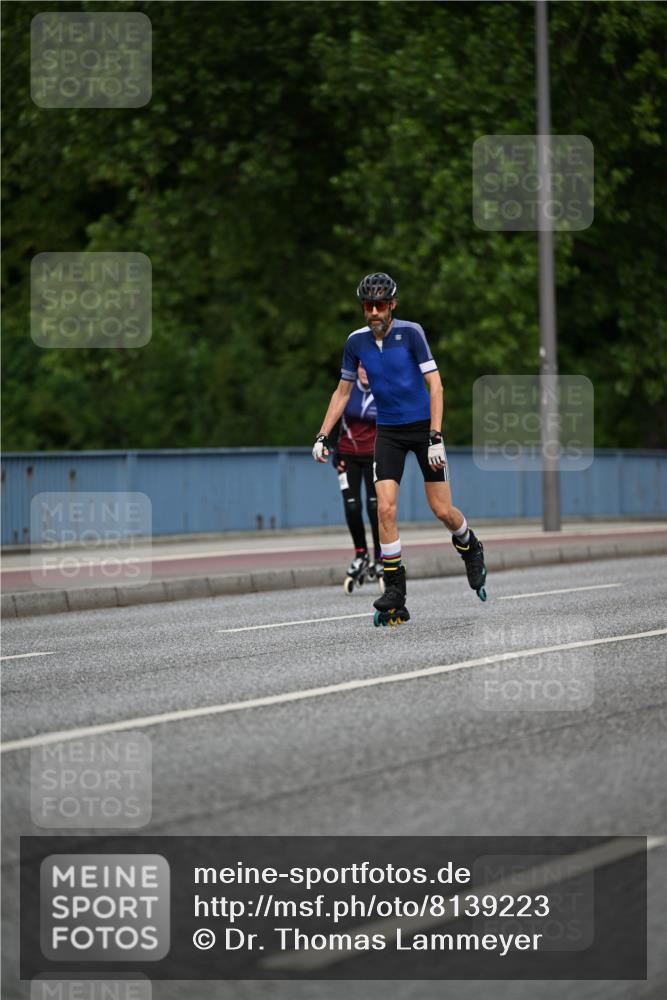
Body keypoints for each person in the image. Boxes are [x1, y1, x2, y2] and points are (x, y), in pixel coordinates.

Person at [312, 271, 487, 621]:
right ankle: (395, 590)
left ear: (392, 305)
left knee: (442, 509)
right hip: (388, 431)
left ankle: (469, 544)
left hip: (423, 430)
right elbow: (342, 392)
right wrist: (322, 434)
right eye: (367, 306)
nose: (373, 312)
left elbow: (435, 387)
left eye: (379, 305)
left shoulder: (412, 333)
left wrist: (436, 435)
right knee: (385, 509)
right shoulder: (355, 342)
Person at [331, 361, 383, 592]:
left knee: (375, 508)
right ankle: (361, 553)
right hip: (348, 455)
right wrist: (333, 450)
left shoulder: (384, 390)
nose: (365, 371)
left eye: (368, 367)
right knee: (352, 506)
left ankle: (381, 556)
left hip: (374, 456)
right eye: (361, 367)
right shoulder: (347, 389)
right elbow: (333, 419)